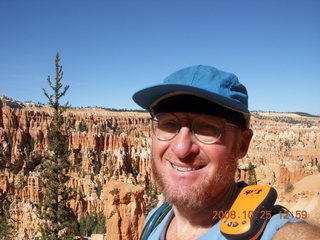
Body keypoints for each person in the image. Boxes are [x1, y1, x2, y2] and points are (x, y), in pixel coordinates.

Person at [132, 65, 320, 240]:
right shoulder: (155, 219)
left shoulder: (270, 232)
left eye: (207, 127)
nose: (181, 148)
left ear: (242, 145)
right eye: (168, 124)